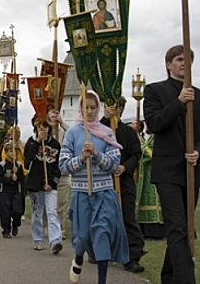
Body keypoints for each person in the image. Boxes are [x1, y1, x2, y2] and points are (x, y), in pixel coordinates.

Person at [143, 45, 200, 284]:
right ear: (168, 64)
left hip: (192, 169)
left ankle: (169, 277)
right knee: (177, 226)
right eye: (179, 59)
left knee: (185, 228)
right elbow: (154, 123)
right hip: (167, 171)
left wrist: (198, 151)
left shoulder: (199, 95)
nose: (184, 63)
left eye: (188, 59)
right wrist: (178, 102)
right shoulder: (155, 91)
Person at [59, 90, 128, 284]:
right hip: (82, 193)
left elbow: (115, 165)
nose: (89, 111)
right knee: (81, 237)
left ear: (98, 108)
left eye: (93, 107)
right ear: (80, 108)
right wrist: (81, 158)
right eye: (85, 107)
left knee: (102, 234)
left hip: (104, 193)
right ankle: (79, 256)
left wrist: (97, 154)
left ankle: (102, 280)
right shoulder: (72, 133)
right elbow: (63, 165)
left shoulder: (106, 133)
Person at [100, 96, 145, 272]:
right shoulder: (101, 128)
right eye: (110, 106)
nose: (114, 110)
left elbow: (136, 154)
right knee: (104, 217)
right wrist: (105, 118)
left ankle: (132, 257)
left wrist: (125, 167)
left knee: (128, 216)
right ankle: (101, 251)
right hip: (104, 180)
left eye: (117, 107)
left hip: (124, 180)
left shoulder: (128, 132)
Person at [24, 117, 63, 254]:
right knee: (37, 213)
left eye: (45, 127)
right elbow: (27, 161)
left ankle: (55, 241)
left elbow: (58, 166)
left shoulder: (55, 145)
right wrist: (37, 143)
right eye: (40, 127)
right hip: (35, 185)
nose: (43, 130)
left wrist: (52, 182)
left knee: (52, 212)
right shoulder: (30, 142)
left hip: (49, 185)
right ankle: (38, 239)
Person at [135, 127, 165, 239]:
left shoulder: (157, 138)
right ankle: (144, 229)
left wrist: (141, 144)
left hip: (154, 172)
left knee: (154, 199)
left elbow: (152, 154)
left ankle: (156, 230)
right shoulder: (146, 138)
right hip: (144, 175)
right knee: (143, 199)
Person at [49, 110, 71, 240]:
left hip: (62, 173)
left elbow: (74, 133)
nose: (54, 119)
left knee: (61, 202)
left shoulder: (64, 132)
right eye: (51, 117)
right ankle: (49, 226)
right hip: (50, 174)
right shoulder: (44, 134)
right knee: (50, 203)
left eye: (56, 116)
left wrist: (62, 123)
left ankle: (61, 227)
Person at [0, 143, 25, 238]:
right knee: (5, 211)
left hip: (16, 191)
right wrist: (9, 179)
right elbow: (0, 178)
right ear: (6, 153)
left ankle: (16, 224)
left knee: (17, 210)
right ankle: (6, 230)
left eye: (14, 151)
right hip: (5, 191)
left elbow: (22, 178)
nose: (13, 153)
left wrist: (17, 175)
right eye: (11, 151)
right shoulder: (2, 164)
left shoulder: (18, 164)